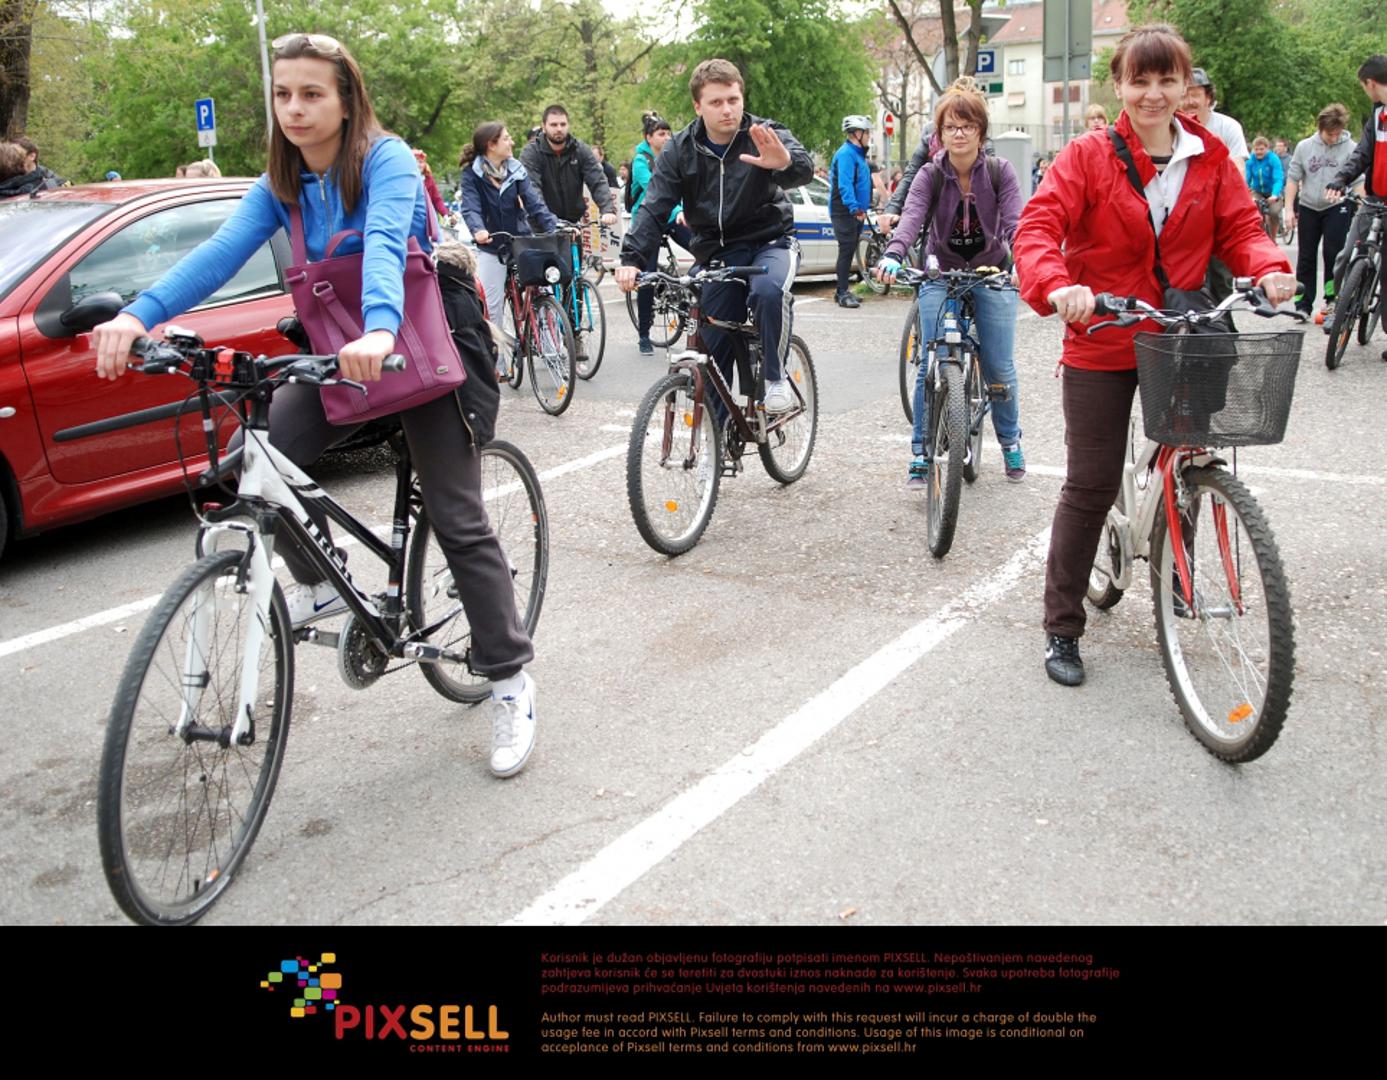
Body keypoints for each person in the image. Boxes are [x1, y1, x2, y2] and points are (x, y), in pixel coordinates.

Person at [89, 33, 538, 777]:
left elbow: (386, 242)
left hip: (422, 348)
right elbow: (219, 253)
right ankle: (324, 586)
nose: (293, 109)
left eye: (310, 94)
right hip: (341, 355)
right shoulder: (284, 182)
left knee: (457, 518)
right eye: (282, 94)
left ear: (346, 100)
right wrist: (138, 315)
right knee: (256, 465)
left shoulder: (385, 160)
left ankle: (510, 682)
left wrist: (382, 325)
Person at [1013, 23, 1294, 688]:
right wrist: (1058, 285)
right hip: (1103, 333)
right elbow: (1038, 228)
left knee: (1188, 459)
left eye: (1167, 79)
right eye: (1139, 80)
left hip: (1180, 332)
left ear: (1185, 86)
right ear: (1119, 86)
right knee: (1089, 483)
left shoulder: (1208, 156)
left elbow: (1241, 228)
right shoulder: (1087, 156)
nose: (1153, 93)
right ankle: (1062, 625)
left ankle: (1174, 577)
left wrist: (1268, 266)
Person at [616, 58, 813, 414]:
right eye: (716, 102)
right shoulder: (680, 149)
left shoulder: (761, 134)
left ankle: (775, 378)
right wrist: (631, 259)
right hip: (719, 253)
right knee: (712, 351)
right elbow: (654, 206)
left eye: (733, 100)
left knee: (768, 292)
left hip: (771, 242)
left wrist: (784, 162)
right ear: (698, 106)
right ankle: (717, 439)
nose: (727, 110)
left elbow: (802, 167)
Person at [875, 80, 1026, 486]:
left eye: (967, 126)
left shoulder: (999, 172)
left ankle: (1010, 441)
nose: (959, 134)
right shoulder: (930, 175)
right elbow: (911, 219)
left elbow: (1016, 224)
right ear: (939, 135)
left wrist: (1024, 261)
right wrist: (893, 254)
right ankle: (921, 452)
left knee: (999, 366)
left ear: (981, 131)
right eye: (950, 127)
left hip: (991, 271)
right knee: (930, 361)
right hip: (940, 272)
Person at [457, 121, 558, 330]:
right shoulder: (471, 175)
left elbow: (534, 203)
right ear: (491, 145)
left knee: (544, 289)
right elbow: (471, 208)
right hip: (492, 246)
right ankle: (496, 351)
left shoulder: (516, 169)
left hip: (520, 241)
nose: (511, 142)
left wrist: (552, 226)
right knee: (491, 308)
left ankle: (552, 342)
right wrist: (479, 230)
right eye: (506, 138)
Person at [1285, 103, 1359, 322]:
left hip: (1337, 206)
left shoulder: (1350, 148)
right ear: (1320, 128)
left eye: (1337, 134)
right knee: (1306, 256)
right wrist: (1289, 209)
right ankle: (1302, 304)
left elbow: (1359, 181)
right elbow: (1293, 178)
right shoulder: (1304, 147)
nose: (1333, 138)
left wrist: (1363, 207)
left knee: (1333, 254)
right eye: (1329, 134)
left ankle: (1332, 300)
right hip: (1309, 206)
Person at [628, 111, 694, 353]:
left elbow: (684, 188)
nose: (667, 137)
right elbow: (657, 191)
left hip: (671, 216)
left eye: (669, 133)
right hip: (649, 220)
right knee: (647, 277)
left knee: (705, 249)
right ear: (649, 138)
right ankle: (644, 335)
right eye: (661, 134)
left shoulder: (673, 158)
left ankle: (688, 295)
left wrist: (687, 211)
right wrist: (678, 209)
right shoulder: (640, 162)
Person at [1181, 66, 1248, 301]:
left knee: (1221, 281)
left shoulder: (1227, 127)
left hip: (1216, 213)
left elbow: (1238, 170)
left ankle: (1222, 322)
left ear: (1208, 97)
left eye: (1195, 94)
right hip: (1183, 218)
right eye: (1184, 94)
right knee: (1183, 283)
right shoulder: (1170, 129)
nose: (1189, 101)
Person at [1325, 55, 1387, 304]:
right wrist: (1341, 178)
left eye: (1363, 86)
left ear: (1370, 83)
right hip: (1374, 200)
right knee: (1347, 254)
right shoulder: (1377, 114)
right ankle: (1338, 308)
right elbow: (1362, 153)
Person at [519, 104, 617, 229]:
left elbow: (597, 180)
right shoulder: (531, 153)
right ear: (544, 126)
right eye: (554, 125)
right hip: (541, 224)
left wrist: (607, 209)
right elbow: (532, 189)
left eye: (563, 124)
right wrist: (549, 221)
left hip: (573, 223)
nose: (559, 129)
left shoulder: (580, 150)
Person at [829, 115, 874, 308]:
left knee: (849, 250)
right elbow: (845, 184)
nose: (869, 136)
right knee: (846, 251)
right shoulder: (846, 154)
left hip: (856, 211)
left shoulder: (858, 154)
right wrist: (854, 208)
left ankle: (843, 290)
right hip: (844, 211)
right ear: (857, 133)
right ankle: (842, 293)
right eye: (867, 132)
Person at [1245, 136, 1284, 235]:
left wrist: (1274, 194)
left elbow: (1278, 179)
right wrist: (1245, 191)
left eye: (1261, 149)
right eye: (1256, 149)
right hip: (1257, 191)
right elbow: (1247, 178)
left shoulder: (1273, 159)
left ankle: (1273, 238)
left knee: (1273, 212)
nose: (1259, 152)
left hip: (1272, 191)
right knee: (1253, 210)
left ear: (1267, 148)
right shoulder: (1250, 160)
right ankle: (1259, 234)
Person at [411, 147, 447, 216]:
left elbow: (437, 199)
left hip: (427, 216)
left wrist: (445, 214)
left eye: (421, 162)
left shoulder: (428, 179)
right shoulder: (406, 179)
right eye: (415, 162)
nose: (418, 165)